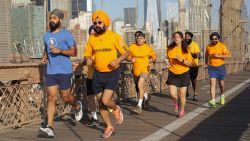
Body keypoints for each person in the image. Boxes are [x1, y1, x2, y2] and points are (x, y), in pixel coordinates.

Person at [84, 10, 129, 138]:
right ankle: (109, 126)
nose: (97, 25)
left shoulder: (114, 36)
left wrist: (117, 60)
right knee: (101, 104)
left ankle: (116, 109)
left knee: (105, 100)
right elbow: (87, 54)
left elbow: (127, 52)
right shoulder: (92, 38)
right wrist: (88, 60)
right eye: (95, 23)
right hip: (97, 74)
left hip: (112, 73)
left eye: (99, 22)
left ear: (106, 22)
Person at [38, 9, 82, 138]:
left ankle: (77, 104)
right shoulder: (46, 36)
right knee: (51, 98)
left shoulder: (66, 35)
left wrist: (60, 51)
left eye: (54, 18)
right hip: (51, 71)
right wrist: (44, 57)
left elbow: (74, 52)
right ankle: (50, 127)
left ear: (60, 20)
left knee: (65, 97)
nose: (52, 20)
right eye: (50, 18)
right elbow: (46, 50)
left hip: (65, 71)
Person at [128, 31, 156, 114]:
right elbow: (127, 56)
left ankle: (139, 105)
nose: (139, 40)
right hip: (135, 71)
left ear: (144, 40)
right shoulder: (132, 47)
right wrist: (130, 59)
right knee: (139, 87)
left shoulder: (148, 48)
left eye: (141, 38)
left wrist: (152, 63)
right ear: (136, 39)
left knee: (140, 84)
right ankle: (146, 96)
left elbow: (154, 56)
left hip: (144, 70)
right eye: (138, 38)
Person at [166, 31, 193, 118]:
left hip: (184, 73)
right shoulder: (170, 48)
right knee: (172, 93)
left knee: (182, 95)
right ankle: (176, 102)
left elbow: (190, 63)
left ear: (181, 39)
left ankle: (181, 110)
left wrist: (182, 60)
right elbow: (168, 59)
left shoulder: (186, 49)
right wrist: (166, 62)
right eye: (175, 37)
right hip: (173, 72)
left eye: (178, 37)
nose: (176, 38)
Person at [205, 32, 231, 108]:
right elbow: (206, 55)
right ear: (211, 39)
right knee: (212, 84)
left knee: (221, 84)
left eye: (215, 39)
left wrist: (219, 56)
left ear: (218, 39)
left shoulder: (222, 46)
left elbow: (229, 55)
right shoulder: (208, 47)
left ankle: (222, 95)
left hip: (220, 67)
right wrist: (206, 63)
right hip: (211, 67)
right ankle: (213, 100)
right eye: (212, 39)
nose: (214, 40)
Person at [185, 31, 200, 101]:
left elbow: (197, 55)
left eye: (188, 36)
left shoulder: (195, 44)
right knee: (186, 79)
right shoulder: (183, 44)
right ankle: (186, 93)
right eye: (186, 36)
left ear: (191, 37)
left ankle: (195, 93)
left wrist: (189, 51)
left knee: (194, 80)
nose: (186, 38)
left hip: (193, 65)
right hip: (185, 64)